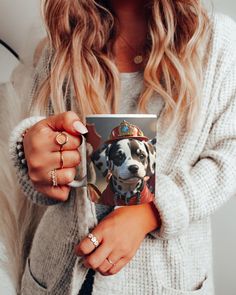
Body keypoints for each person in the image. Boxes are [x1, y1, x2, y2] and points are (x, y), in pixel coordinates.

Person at [6, 0, 236, 294]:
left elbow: (230, 153)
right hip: (59, 276)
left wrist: (153, 211)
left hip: (166, 280)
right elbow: (44, 172)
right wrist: (32, 155)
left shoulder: (216, 42)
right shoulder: (62, 44)